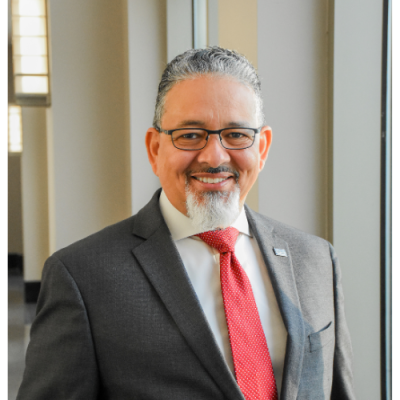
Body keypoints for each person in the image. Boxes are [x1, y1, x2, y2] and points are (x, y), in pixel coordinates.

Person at [17, 47, 356, 400]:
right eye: (190, 135)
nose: (214, 157)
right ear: (154, 149)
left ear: (263, 147)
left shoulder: (316, 260)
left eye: (237, 135)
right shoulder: (81, 276)